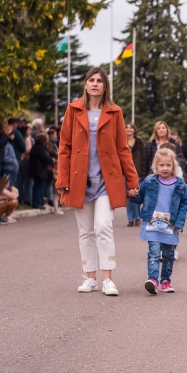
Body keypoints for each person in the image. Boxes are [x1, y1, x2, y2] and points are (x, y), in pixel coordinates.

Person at [57, 67, 140, 296]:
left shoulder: (114, 112)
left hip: (106, 180)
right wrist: (62, 178)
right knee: (85, 231)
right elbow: (64, 147)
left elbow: (123, 148)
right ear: (85, 84)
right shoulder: (73, 110)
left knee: (103, 226)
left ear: (105, 86)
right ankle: (90, 277)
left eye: (99, 81)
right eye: (91, 80)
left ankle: (107, 279)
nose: (95, 84)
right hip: (79, 180)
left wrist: (132, 180)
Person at [130, 148, 187, 294]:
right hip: (152, 225)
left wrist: (180, 223)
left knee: (169, 255)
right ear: (155, 166)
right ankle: (153, 280)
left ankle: (165, 281)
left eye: (168, 165)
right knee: (154, 253)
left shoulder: (180, 184)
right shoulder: (149, 181)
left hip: (171, 225)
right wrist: (131, 193)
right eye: (161, 165)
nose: (165, 168)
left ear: (173, 166)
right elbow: (139, 198)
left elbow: (184, 204)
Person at [29, 133, 54, 210]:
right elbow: (45, 158)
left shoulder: (36, 147)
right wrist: (51, 160)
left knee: (41, 187)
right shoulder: (40, 148)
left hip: (38, 170)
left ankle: (40, 202)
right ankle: (37, 203)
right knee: (39, 187)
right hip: (39, 171)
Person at [125, 123, 143, 227]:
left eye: (131, 127)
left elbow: (143, 156)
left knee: (136, 195)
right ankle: (130, 219)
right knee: (128, 197)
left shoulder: (139, 142)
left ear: (134, 130)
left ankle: (137, 217)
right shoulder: (121, 141)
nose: (129, 129)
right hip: (124, 172)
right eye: (126, 127)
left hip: (137, 171)